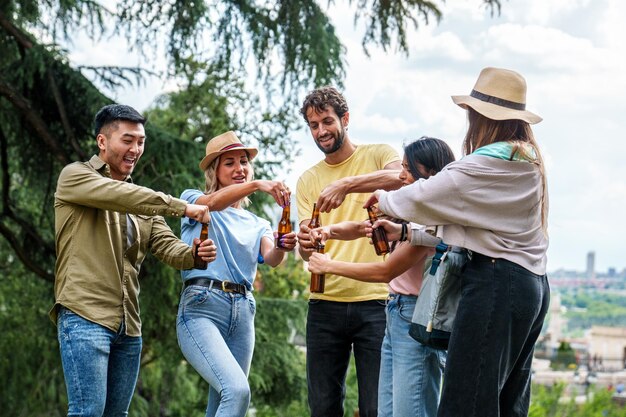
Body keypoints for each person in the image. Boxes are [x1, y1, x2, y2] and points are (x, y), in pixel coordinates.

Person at [365, 67, 551, 417]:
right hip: (530, 287)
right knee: (505, 404)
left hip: (495, 286)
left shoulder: (487, 164)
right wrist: (405, 233)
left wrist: (382, 198)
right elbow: (475, 231)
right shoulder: (526, 161)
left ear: (481, 117)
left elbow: (425, 195)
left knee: (466, 402)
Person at [51, 104, 217, 417]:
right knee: (87, 411)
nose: (136, 149)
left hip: (128, 327)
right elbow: (119, 195)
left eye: (140, 141)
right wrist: (183, 207)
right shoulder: (75, 177)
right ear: (102, 142)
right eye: (128, 140)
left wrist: (193, 254)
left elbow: (168, 247)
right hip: (85, 315)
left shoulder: (140, 199)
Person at [307, 137, 455, 417]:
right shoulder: (410, 209)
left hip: (416, 317)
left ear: (430, 174)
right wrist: (329, 231)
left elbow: (385, 271)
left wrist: (329, 265)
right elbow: (366, 228)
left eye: (409, 170)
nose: (401, 176)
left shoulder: (433, 218)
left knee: (410, 411)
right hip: (395, 313)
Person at [295, 86, 402, 417]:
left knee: (376, 407)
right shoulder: (308, 179)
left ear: (345, 119)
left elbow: (402, 178)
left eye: (327, 121)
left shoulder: (378, 154)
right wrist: (306, 243)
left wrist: (346, 184)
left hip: (377, 302)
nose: (321, 131)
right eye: (313, 125)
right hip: (325, 305)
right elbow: (306, 253)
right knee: (324, 407)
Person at [176, 131, 296, 417]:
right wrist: (256, 184)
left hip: (243, 312)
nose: (240, 168)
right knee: (237, 391)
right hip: (202, 307)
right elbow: (211, 203)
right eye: (229, 163)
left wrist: (283, 244)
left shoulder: (258, 223)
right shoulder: (194, 199)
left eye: (243, 161)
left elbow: (272, 258)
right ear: (214, 170)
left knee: (222, 402)